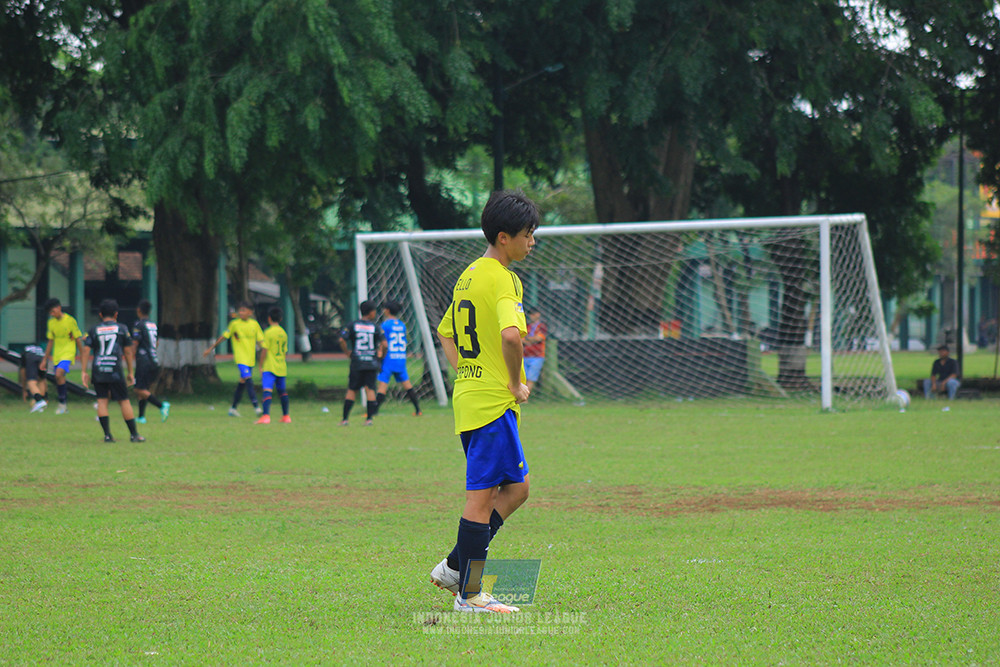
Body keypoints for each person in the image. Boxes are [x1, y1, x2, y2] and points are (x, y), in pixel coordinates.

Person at [430, 189, 539, 614]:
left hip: (473, 399)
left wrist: (466, 373)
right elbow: (511, 336)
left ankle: (457, 567)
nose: (532, 241)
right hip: (493, 404)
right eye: (528, 234)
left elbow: (445, 331)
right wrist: (514, 384)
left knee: (518, 488)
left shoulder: (468, 274)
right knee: (482, 497)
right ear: (504, 236)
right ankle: (470, 594)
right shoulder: (504, 277)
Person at [81, 299, 145, 443]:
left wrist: (84, 371)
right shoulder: (122, 329)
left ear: (100, 314)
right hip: (115, 370)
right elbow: (128, 352)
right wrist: (130, 372)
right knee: (124, 401)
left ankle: (108, 435)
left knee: (102, 401)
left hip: (98, 369)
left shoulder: (93, 329)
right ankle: (134, 435)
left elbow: (85, 350)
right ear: (116, 314)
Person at [204, 301, 265, 417]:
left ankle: (233, 408)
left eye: (243, 310)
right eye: (240, 310)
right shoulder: (234, 324)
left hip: (250, 359)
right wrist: (211, 348)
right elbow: (223, 337)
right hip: (241, 359)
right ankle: (257, 407)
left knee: (242, 383)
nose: (241, 313)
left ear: (250, 312)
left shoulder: (254, 325)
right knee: (248, 380)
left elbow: (261, 341)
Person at [339, 300, 384, 426]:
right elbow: (384, 344)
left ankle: (345, 419)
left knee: (352, 389)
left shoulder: (352, 325)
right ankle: (369, 419)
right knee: (370, 390)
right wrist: (381, 356)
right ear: (371, 313)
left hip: (357, 362)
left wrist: (347, 352)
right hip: (371, 362)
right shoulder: (375, 327)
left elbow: (342, 339)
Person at [374, 299, 422, 417]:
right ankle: (418, 410)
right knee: (407, 385)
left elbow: (383, 343)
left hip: (389, 358)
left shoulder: (385, 325)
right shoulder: (401, 325)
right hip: (400, 357)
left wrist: (379, 357)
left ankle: (373, 412)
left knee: (382, 386)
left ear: (387, 310)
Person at [41, 297, 84, 414]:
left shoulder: (70, 320)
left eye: (53, 311)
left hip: (68, 352)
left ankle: (61, 403)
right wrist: (44, 359)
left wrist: (81, 354)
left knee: (59, 373)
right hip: (57, 354)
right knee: (59, 378)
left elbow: (77, 338)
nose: (52, 314)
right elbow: (50, 341)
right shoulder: (51, 322)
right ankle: (63, 404)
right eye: (50, 313)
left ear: (59, 308)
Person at [132, 299, 170, 424]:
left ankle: (161, 406)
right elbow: (157, 342)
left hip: (143, 360)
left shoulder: (139, 325)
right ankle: (141, 417)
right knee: (144, 389)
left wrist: (132, 356)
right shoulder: (153, 325)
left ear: (139, 310)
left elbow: (135, 343)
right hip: (154, 360)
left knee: (138, 389)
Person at [256, 306, 291, 424]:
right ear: (280, 318)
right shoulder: (284, 333)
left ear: (269, 318)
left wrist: (260, 365)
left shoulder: (268, 332)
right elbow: (285, 351)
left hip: (269, 366)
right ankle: (286, 416)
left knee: (267, 390)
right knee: (282, 391)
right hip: (281, 366)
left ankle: (266, 416)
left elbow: (264, 350)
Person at [522, 306, 548, 392]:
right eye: (531, 314)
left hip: (537, 355)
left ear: (538, 314)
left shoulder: (542, 326)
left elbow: (539, 338)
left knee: (531, 377)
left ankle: (525, 397)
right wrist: (530, 340)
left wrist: (528, 339)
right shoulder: (527, 326)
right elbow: (521, 338)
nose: (532, 316)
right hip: (525, 354)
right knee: (523, 377)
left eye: (534, 314)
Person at [20, 342, 48, 413]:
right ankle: (41, 403)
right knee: (41, 379)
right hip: (43, 358)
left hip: (32, 359)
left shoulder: (25, 352)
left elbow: (23, 372)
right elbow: (44, 380)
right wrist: (46, 396)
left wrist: (24, 389)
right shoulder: (40, 349)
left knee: (31, 381)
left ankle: (39, 401)